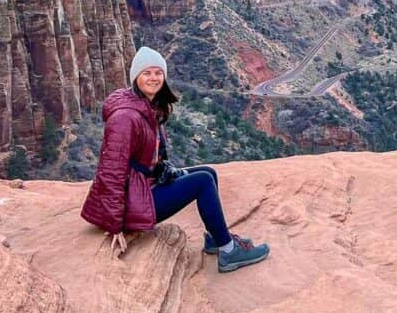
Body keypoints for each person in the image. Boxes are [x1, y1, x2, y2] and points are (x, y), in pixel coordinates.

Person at [80, 46, 270, 272]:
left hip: (143, 186)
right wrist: (115, 224)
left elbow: (147, 156)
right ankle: (228, 251)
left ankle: (216, 238)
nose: (153, 78)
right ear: (135, 77)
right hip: (134, 200)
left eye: (158, 72)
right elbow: (111, 171)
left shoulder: (145, 106)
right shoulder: (125, 117)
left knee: (208, 172)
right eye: (147, 73)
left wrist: (163, 168)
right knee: (202, 182)